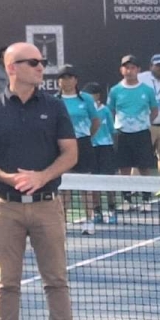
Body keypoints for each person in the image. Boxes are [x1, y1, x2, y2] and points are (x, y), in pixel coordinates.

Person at [0, 42, 89, 320]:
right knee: (6, 282)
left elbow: (70, 153)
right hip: (5, 208)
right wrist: (10, 179)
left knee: (56, 279)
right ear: (12, 68)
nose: (41, 67)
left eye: (42, 61)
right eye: (33, 62)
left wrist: (41, 176)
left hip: (47, 206)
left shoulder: (54, 107)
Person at [108, 55, 158, 210]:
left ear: (138, 70)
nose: (129, 71)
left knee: (145, 167)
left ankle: (146, 200)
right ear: (121, 70)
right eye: (126, 67)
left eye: (133, 68)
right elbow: (110, 111)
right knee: (124, 168)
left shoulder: (147, 90)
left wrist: (143, 123)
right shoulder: (115, 91)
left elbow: (154, 110)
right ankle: (126, 200)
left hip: (142, 134)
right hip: (122, 134)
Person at [56, 64, 100, 234]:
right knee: (64, 187)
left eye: (69, 77)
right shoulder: (54, 100)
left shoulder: (87, 99)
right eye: (63, 78)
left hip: (83, 144)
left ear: (75, 80)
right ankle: (62, 222)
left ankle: (89, 221)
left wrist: (86, 137)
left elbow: (95, 121)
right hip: (61, 147)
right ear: (59, 81)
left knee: (85, 185)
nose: (66, 81)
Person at [82, 82, 118, 224]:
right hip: (90, 148)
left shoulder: (105, 111)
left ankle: (112, 210)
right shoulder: (84, 110)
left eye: (91, 94)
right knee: (93, 182)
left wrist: (112, 148)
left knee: (109, 181)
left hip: (106, 148)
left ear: (97, 96)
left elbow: (112, 130)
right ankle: (97, 212)